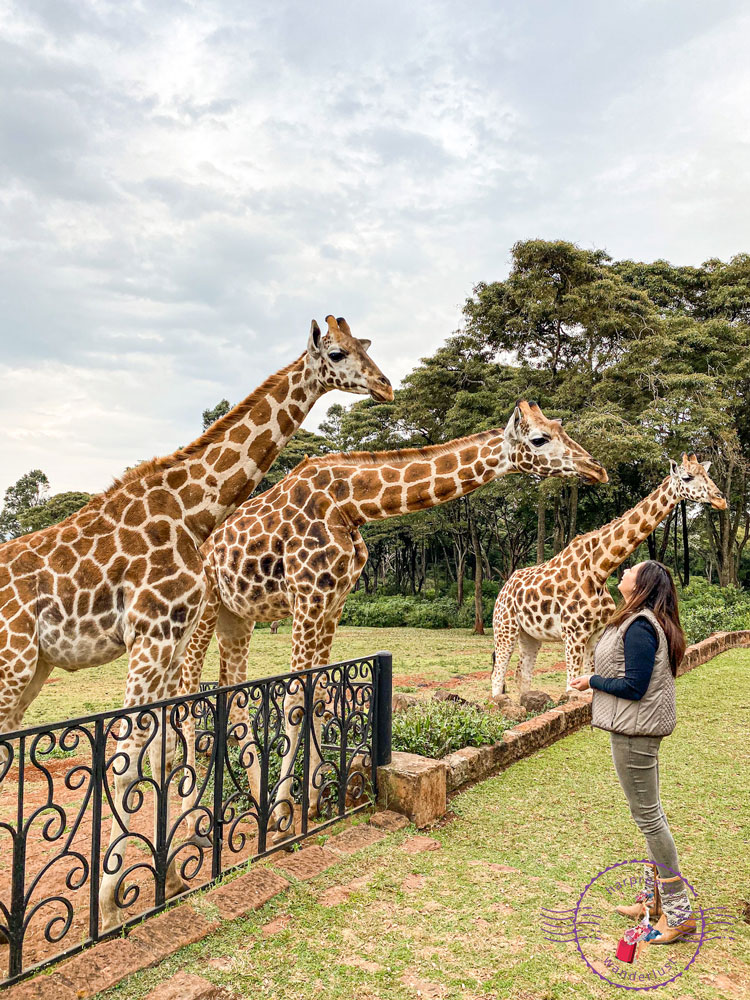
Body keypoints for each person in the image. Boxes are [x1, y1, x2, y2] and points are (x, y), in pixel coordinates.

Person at [570, 560, 696, 944]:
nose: (623, 572)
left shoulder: (640, 626)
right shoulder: (638, 620)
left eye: (630, 570)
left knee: (649, 818)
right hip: (632, 729)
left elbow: (634, 687)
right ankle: (653, 902)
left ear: (642, 584)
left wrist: (591, 680)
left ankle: (679, 913)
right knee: (648, 816)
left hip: (633, 732)